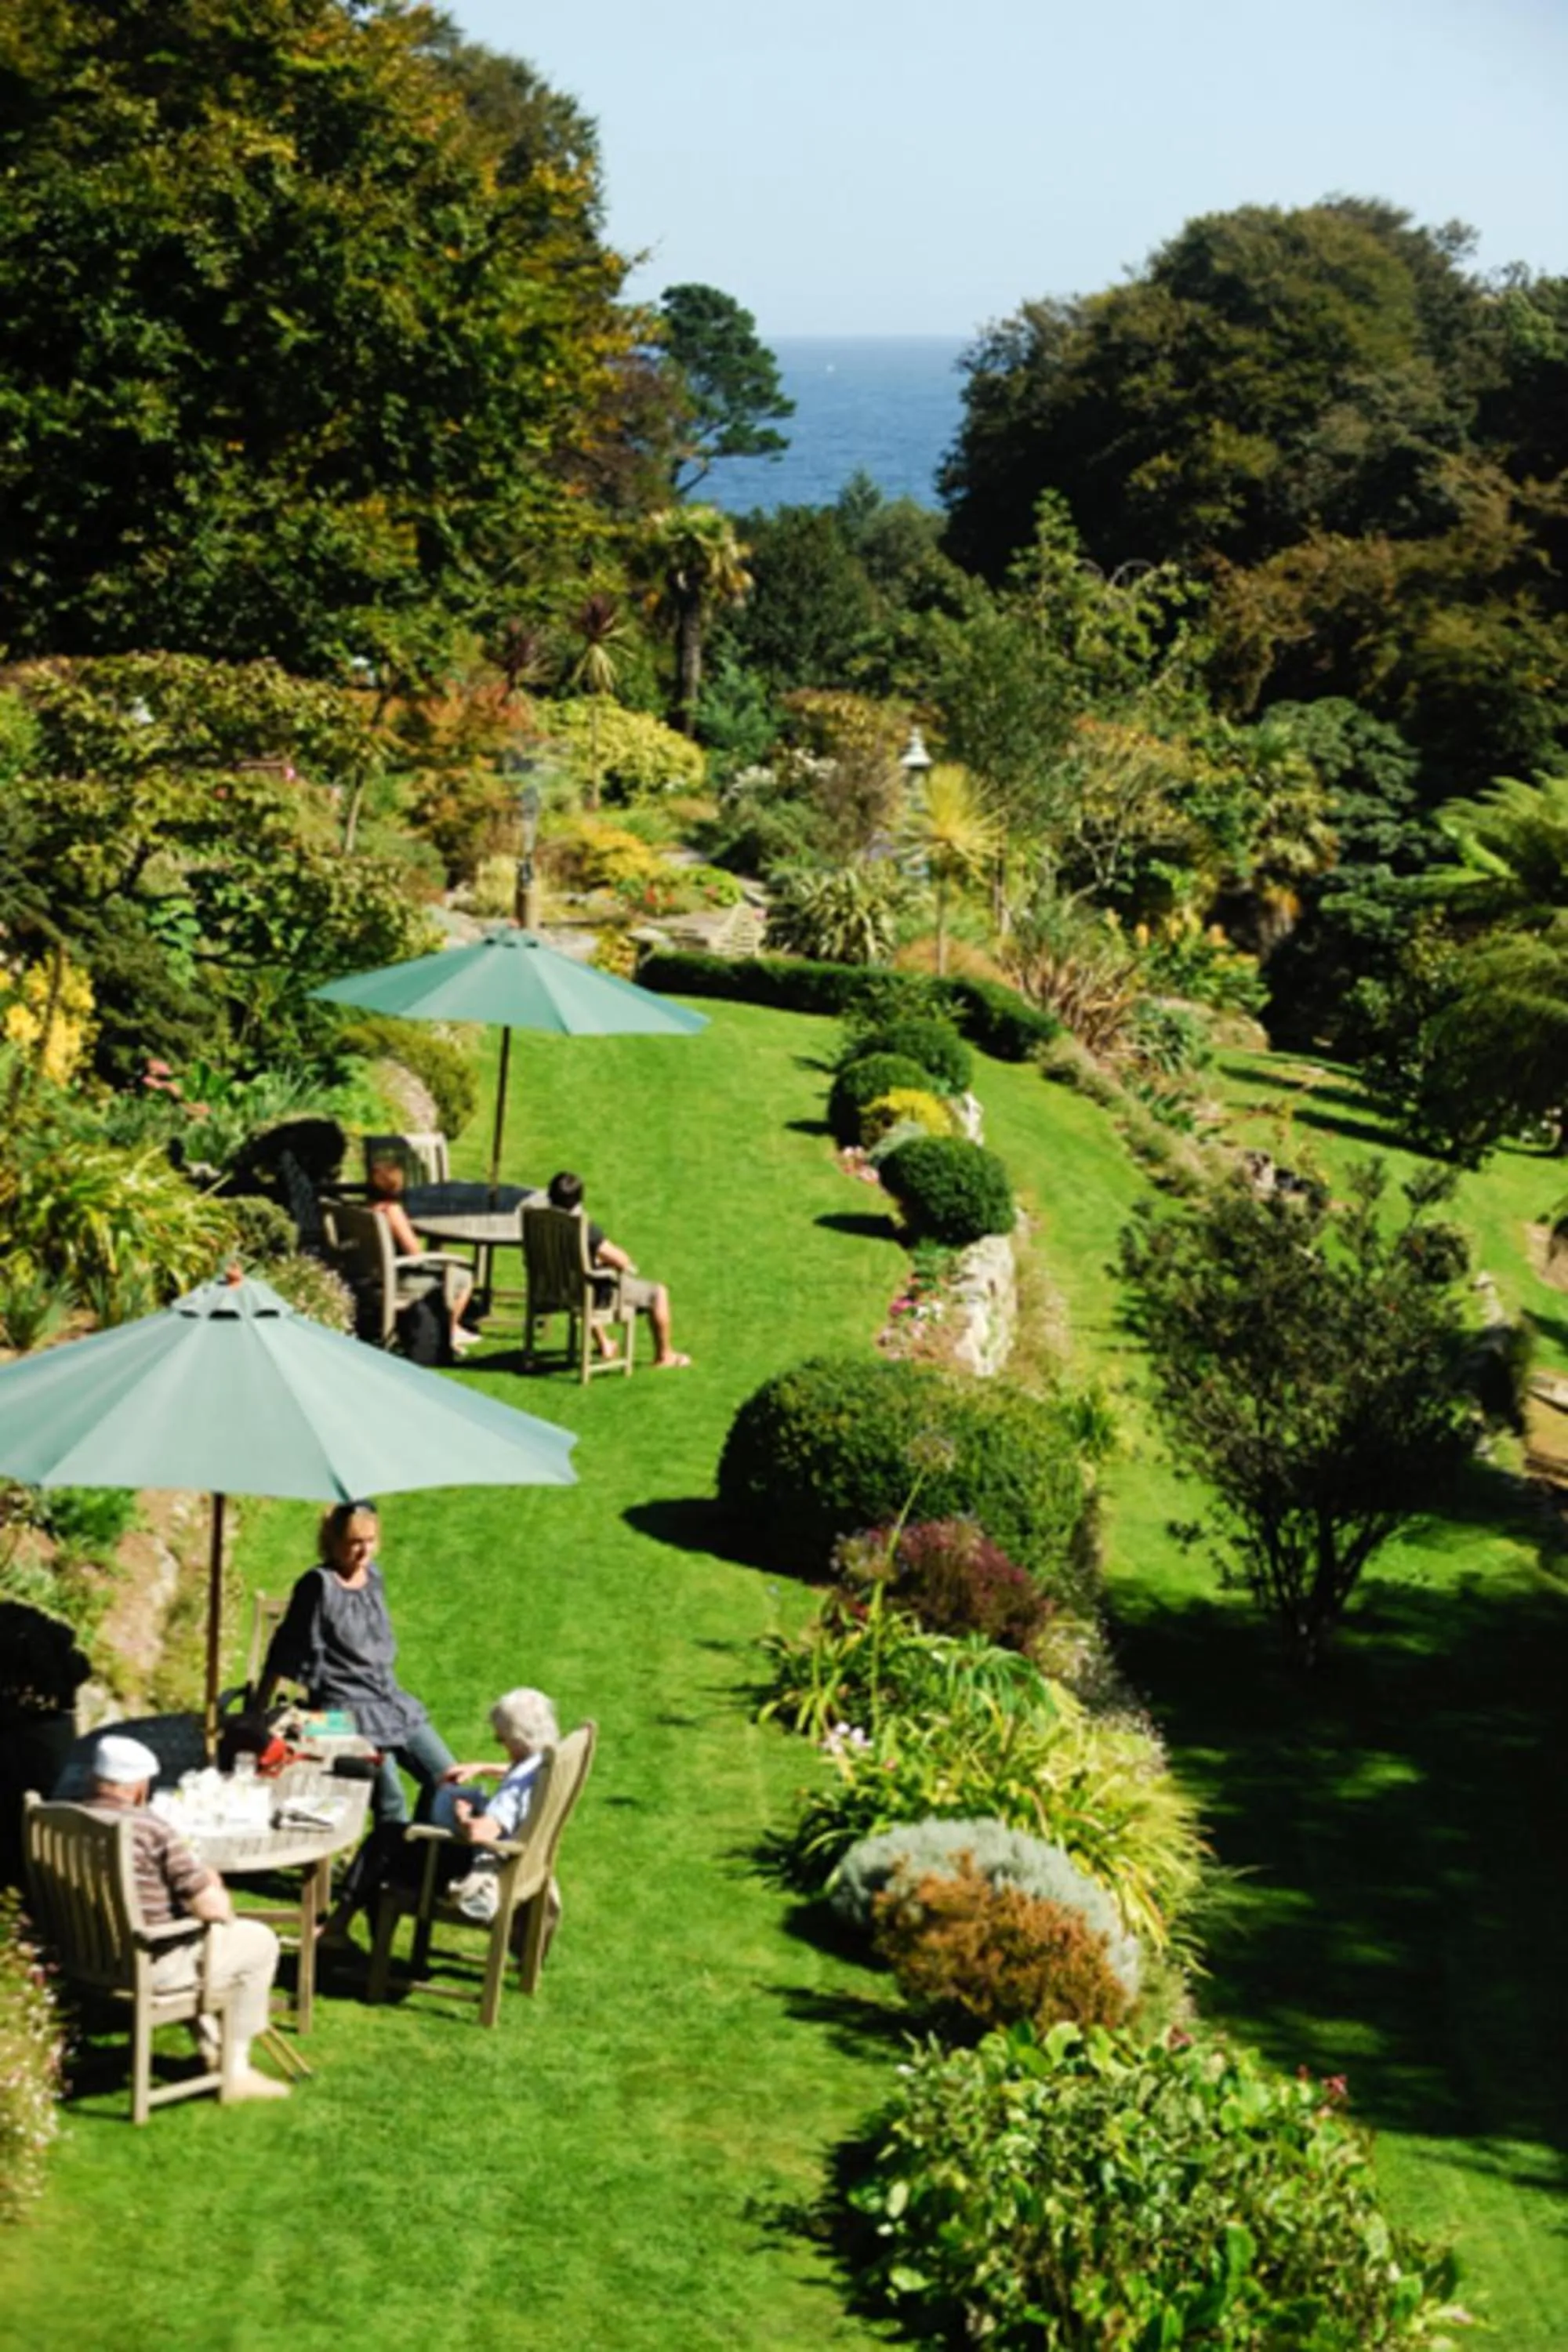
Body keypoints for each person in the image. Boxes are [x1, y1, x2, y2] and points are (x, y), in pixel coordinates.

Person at [81, 1733, 289, 2102]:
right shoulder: (151, 1829)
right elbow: (214, 1910)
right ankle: (235, 2069)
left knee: (207, 1946)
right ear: (141, 1787)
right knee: (258, 1942)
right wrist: (210, 1881)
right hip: (151, 1962)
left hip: (86, 1954)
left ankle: (210, 2044)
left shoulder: (63, 1819)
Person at [257, 1501, 455, 1828]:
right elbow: (285, 1649)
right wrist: (258, 1710)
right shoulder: (318, 1586)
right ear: (332, 1543)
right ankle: (380, 1871)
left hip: (389, 1699)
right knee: (392, 1803)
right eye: (355, 1542)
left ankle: (413, 1857)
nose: (364, 1551)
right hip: (346, 1712)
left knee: (447, 1777)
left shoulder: (374, 1576)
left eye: (371, 1540)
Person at [321, 1685, 560, 1940]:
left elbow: (480, 1833)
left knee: (385, 1842)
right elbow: (517, 1773)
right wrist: (482, 1767)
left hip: (475, 1869)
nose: (501, 1745)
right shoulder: (545, 1763)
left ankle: (342, 1929)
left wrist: (463, 1816)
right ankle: (343, 1928)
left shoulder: (513, 1793)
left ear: (518, 1740)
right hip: (515, 1867)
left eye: (501, 1740)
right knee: (388, 1843)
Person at [546, 1169, 690, 1368]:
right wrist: (610, 1263)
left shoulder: (540, 1222)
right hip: (588, 1294)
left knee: (585, 1281)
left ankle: (604, 1344)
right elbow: (621, 1260)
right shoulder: (583, 1228)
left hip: (555, 1288)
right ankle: (665, 1356)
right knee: (658, 1293)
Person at [366, 1156, 477, 1353]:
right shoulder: (392, 1211)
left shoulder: (367, 1210)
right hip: (398, 1279)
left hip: (372, 1277)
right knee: (463, 1276)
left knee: (445, 1272)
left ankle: (451, 1327)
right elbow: (414, 1252)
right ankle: (450, 1331)